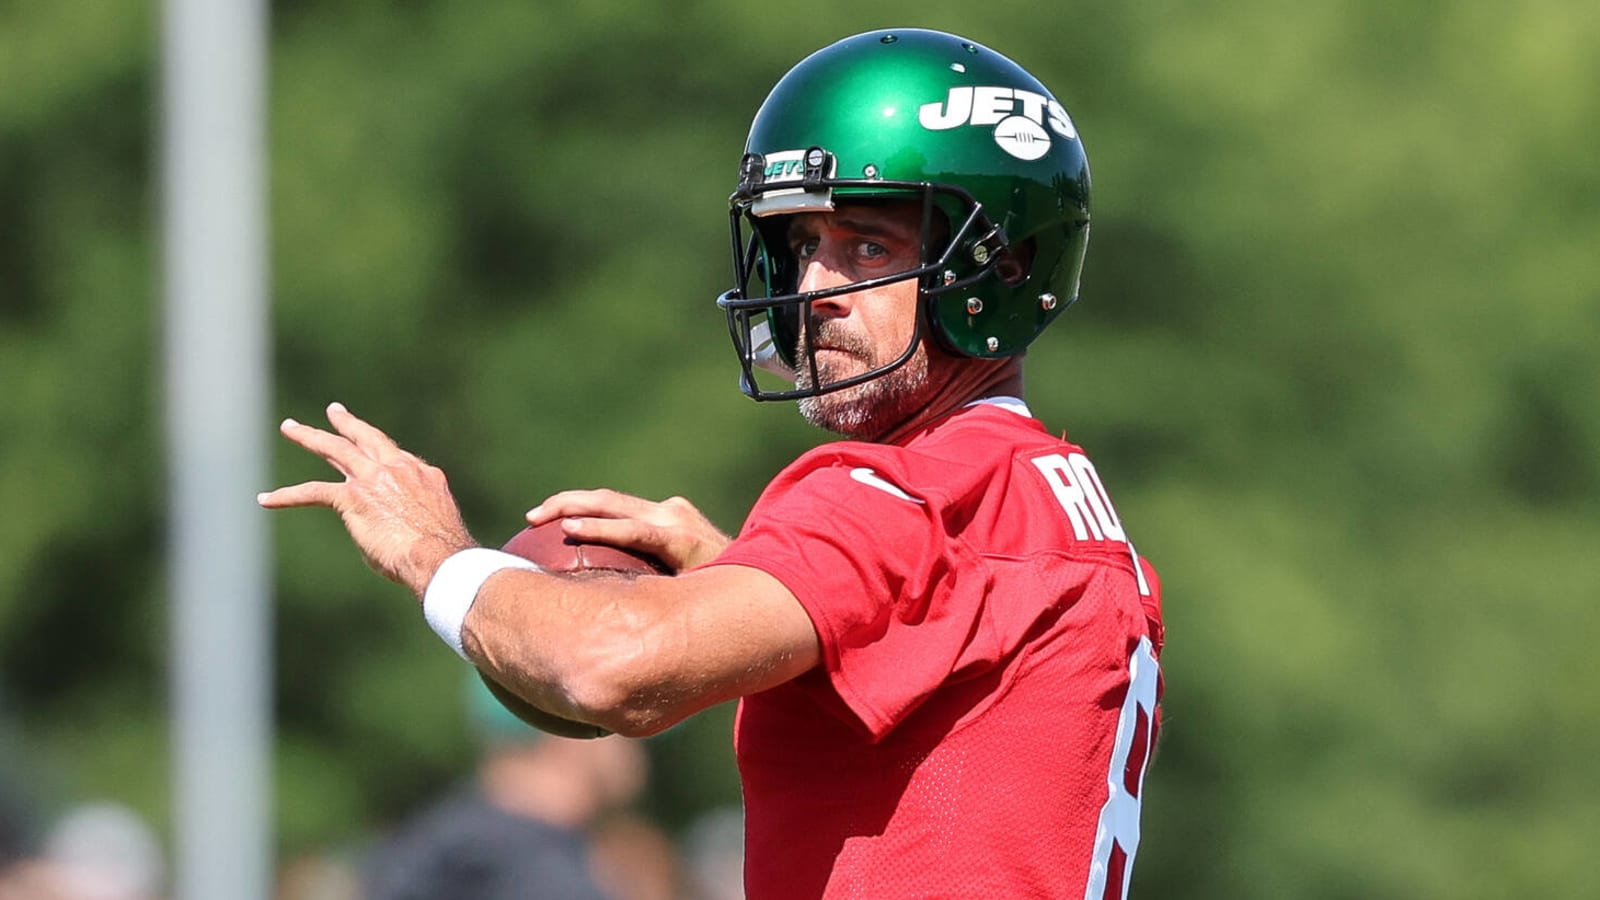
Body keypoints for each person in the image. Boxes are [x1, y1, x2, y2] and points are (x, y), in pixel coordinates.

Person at [261, 27, 1165, 899]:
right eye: (805, 246)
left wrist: (434, 556)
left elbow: (612, 666)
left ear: (998, 267)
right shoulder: (1043, 493)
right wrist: (750, 572)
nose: (813, 291)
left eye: (866, 248)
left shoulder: (909, 492)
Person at [362, 675, 653, 900]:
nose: (638, 746)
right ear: (570, 727)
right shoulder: (536, 871)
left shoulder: (434, 843)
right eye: (622, 725)